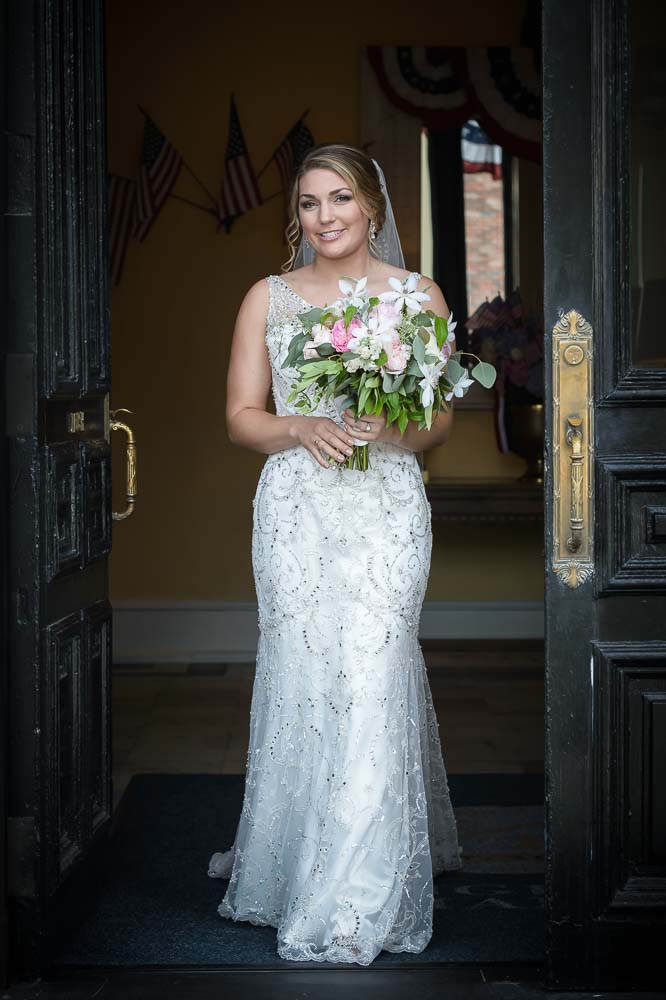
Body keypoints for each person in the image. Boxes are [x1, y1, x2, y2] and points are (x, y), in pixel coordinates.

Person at [208, 143, 462, 965]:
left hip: (387, 507)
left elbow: (437, 424)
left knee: (376, 671)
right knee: (307, 671)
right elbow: (243, 414)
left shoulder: (419, 296)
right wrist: (300, 425)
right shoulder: (268, 298)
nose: (326, 216)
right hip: (298, 512)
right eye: (310, 203)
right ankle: (292, 870)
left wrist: (394, 427)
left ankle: (356, 896)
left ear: (375, 210)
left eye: (340, 199)